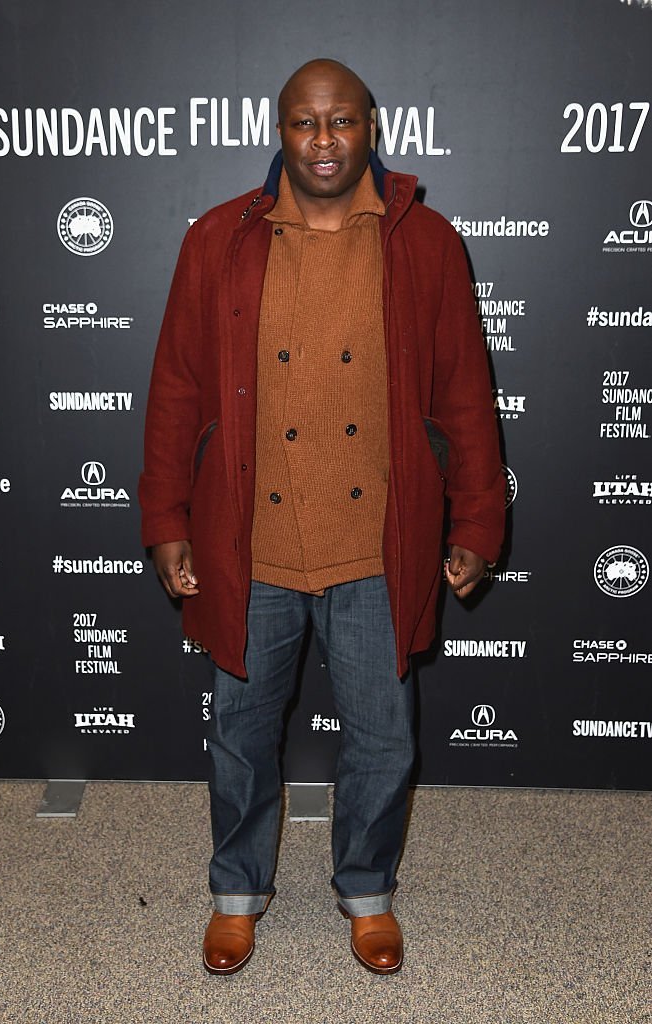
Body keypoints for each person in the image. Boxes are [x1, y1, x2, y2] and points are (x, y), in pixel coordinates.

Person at [139, 58, 505, 976]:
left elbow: (465, 393)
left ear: (370, 129)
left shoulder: (423, 241)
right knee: (241, 733)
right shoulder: (218, 239)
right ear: (280, 131)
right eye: (305, 123)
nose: (324, 140)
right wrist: (165, 516)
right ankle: (235, 893)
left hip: (378, 541)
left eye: (341, 121)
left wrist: (474, 522)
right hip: (250, 540)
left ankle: (367, 891)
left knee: (384, 736)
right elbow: (177, 389)